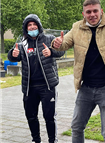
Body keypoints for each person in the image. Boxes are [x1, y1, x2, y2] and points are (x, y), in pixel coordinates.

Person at [51, 0, 105, 143]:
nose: (92, 15)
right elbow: (64, 43)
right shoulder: (77, 27)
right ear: (83, 14)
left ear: (101, 11)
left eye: (95, 11)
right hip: (86, 88)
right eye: (88, 12)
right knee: (76, 127)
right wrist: (56, 42)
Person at [7, 15, 64, 143]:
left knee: (49, 117)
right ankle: (36, 140)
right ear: (26, 28)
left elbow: (61, 51)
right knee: (31, 117)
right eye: (29, 25)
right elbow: (13, 56)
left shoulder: (49, 39)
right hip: (29, 88)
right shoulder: (22, 43)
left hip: (47, 87)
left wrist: (51, 51)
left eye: (34, 24)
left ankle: (52, 140)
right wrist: (12, 54)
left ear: (38, 26)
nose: (32, 27)